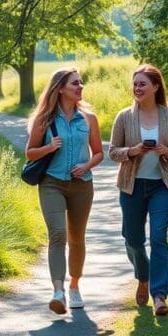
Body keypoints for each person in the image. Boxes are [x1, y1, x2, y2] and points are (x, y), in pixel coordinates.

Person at [109, 64, 168, 316]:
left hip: (162, 185)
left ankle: (159, 294)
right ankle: (143, 276)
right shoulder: (124, 117)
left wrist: (167, 152)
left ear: (155, 86)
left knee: (159, 237)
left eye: (142, 83)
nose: (137, 88)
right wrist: (133, 151)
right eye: (135, 84)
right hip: (131, 186)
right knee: (132, 239)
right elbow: (113, 152)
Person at [26, 68, 103, 314]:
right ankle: (58, 292)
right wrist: (49, 147)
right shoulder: (44, 120)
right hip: (51, 183)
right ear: (60, 88)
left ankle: (75, 286)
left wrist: (86, 165)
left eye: (81, 83)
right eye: (75, 84)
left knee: (77, 237)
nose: (80, 87)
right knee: (57, 233)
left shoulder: (88, 118)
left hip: (82, 185)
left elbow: (99, 152)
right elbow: (30, 153)